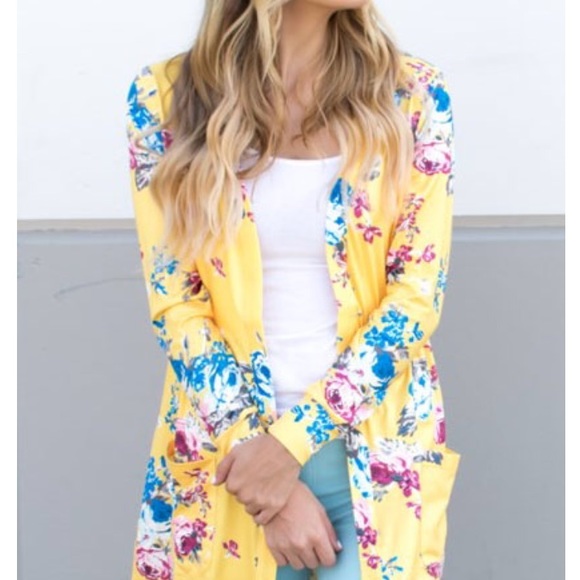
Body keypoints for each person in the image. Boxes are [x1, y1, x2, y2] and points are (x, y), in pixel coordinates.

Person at [125, 1, 462, 579]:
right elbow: (177, 304)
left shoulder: (411, 96)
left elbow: (416, 295)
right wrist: (264, 478)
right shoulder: (166, 98)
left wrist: (288, 447)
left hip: (372, 467)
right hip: (227, 465)